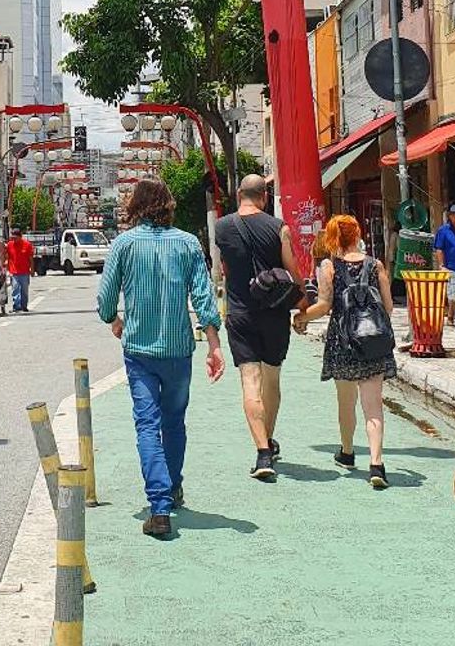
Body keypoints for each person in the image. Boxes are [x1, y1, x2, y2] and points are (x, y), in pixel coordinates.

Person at [97, 178, 224, 539]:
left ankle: (159, 507)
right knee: (174, 423)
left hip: (139, 351)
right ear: (168, 205)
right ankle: (173, 486)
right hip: (179, 349)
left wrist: (115, 321)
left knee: (146, 425)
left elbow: (105, 299)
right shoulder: (187, 244)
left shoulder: (123, 245)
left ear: (135, 206)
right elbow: (202, 296)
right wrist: (214, 344)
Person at [214, 174, 307, 480]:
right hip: (274, 314)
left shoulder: (222, 227)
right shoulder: (277, 227)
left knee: (250, 382)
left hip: (240, 313)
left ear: (239, 194)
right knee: (272, 380)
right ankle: (268, 439)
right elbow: (293, 273)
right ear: (265, 197)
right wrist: (303, 305)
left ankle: (263, 453)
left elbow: (221, 270)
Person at [301, 214, 396, 488]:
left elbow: (324, 305)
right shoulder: (375, 265)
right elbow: (388, 307)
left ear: (333, 238)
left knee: (346, 403)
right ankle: (377, 465)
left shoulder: (329, 267)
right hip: (373, 342)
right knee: (373, 405)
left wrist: (301, 318)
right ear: (357, 235)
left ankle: (347, 451)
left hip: (343, 343)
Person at [5, 228, 34, 313]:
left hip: (25, 272)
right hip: (14, 272)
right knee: (15, 289)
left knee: (24, 290)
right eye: (12, 238)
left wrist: (32, 269)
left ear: (20, 237)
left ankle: (24, 306)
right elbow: (7, 256)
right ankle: (16, 306)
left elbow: (31, 259)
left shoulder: (27, 245)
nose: (14, 240)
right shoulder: (10, 245)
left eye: (15, 238)